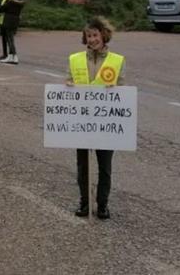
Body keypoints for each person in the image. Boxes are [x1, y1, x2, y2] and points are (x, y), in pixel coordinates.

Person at [67, 16, 125, 220]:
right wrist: (68, 85)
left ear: (103, 35)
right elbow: (69, 80)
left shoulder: (116, 60)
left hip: (106, 122)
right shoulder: (75, 59)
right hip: (82, 121)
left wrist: (116, 88)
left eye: (95, 35)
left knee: (104, 166)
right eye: (88, 36)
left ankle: (102, 204)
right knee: (83, 165)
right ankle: (85, 202)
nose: (92, 39)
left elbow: (124, 90)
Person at [0, 0, 26, 64]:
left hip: (8, 20)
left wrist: (0, 6)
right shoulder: (21, 2)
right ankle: (10, 56)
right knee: (10, 38)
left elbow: (0, 8)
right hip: (15, 20)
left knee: (10, 39)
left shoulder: (10, 1)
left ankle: (15, 56)